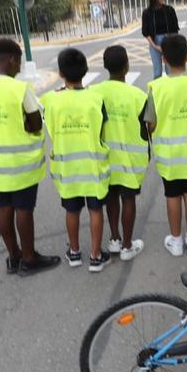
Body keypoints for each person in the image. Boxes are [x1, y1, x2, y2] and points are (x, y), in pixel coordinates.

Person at [0, 39, 57, 276]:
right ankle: (29, 258)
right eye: (20, 62)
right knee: (24, 209)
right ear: (12, 60)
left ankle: (13, 256)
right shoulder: (19, 89)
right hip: (20, 163)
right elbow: (35, 123)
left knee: (3, 208)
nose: (20, 68)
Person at [43, 48, 112, 272]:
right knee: (95, 210)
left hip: (67, 167)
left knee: (71, 211)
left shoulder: (51, 99)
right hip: (93, 165)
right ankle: (95, 256)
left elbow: (48, 125)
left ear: (61, 73)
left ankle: (74, 252)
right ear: (85, 71)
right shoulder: (96, 98)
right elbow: (103, 128)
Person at [145, 34, 187, 257]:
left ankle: (175, 241)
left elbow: (151, 124)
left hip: (170, 154)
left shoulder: (156, 87)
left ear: (163, 58)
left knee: (172, 195)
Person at [92, 45, 149, 261]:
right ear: (127, 66)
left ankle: (114, 239)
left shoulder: (95, 93)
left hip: (105, 157)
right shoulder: (138, 95)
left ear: (104, 66)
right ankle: (127, 245)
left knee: (111, 197)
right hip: (129, 159)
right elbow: (149, 125)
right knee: (128, 198)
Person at [141, 0, 179, 79]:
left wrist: (171, 44)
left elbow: (175, 29)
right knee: (157, 72)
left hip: (169, 41)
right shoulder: (147, 13)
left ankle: (171, 91)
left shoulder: (169, 10)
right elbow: (145, 32)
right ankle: (157, 92)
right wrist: (155, 46)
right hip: (154, 42)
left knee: (170, 71)